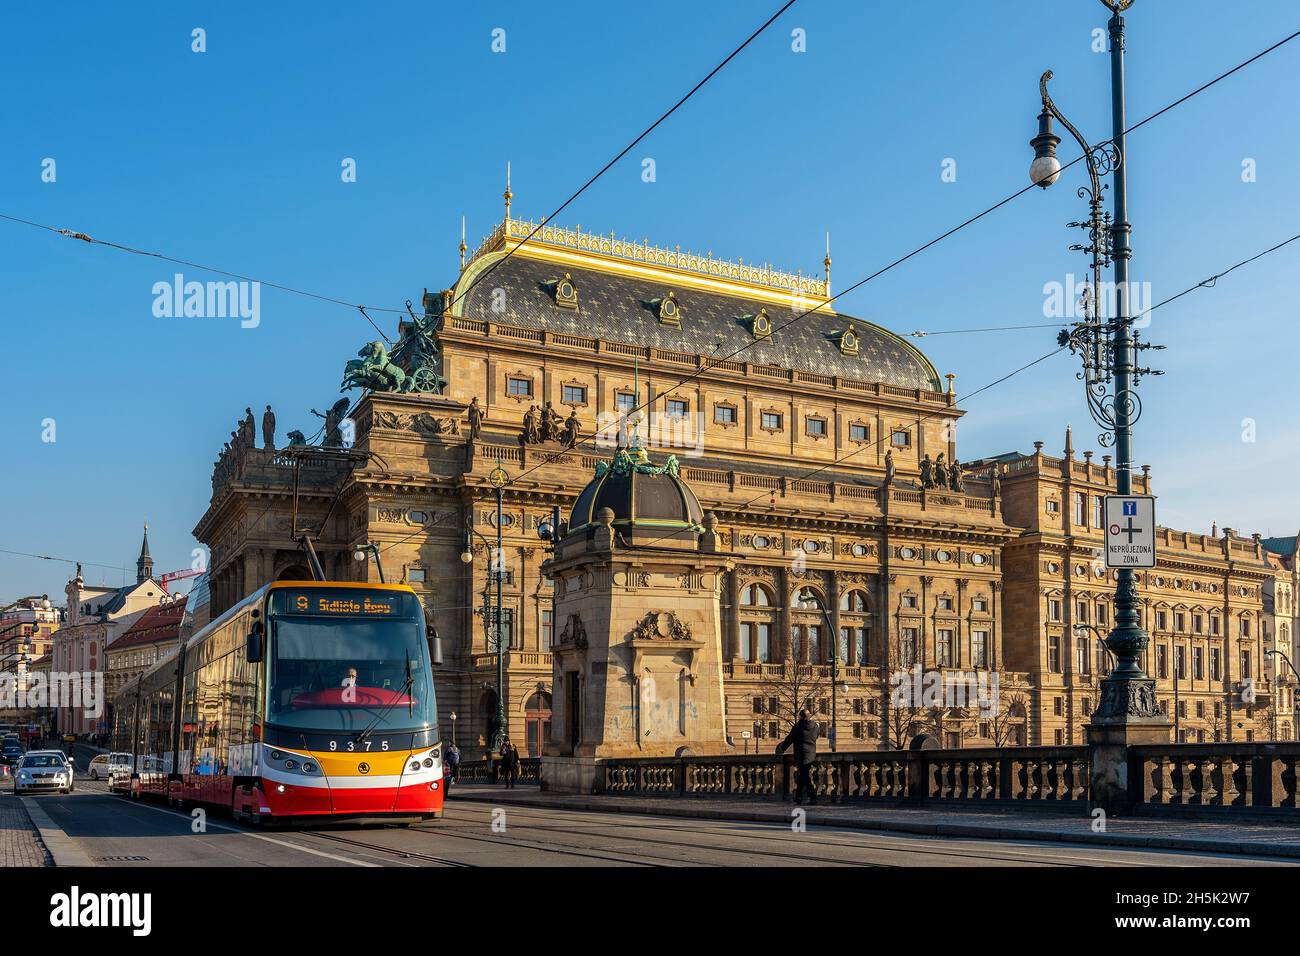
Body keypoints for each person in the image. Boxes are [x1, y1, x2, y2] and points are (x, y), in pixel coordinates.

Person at [775, 708, 821, 805]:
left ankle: (812, 797)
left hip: (801, 754)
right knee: (802, 776)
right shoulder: (815, 726)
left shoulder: (798, 726)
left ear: (801, 716)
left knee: (805, 777)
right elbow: (816, 736)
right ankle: (798, 797)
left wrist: (782, 748)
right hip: (812, 754)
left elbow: (790, 739)